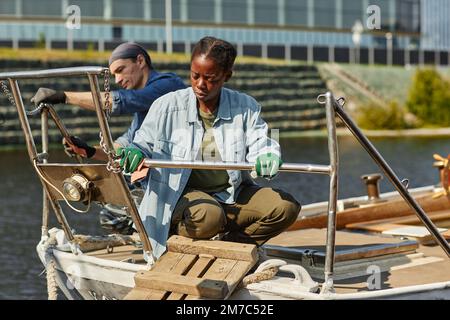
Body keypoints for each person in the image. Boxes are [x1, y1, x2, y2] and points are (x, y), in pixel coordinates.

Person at [118, 36, 301, 259]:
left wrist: (268, 155)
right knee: (208, 217)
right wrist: (135, 152)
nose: (200, 84)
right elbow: (142, 142)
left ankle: (232, 245)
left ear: (227, 76)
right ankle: (175, 239)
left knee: (285, 207)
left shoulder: (246, 106)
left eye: (210, 78)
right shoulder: (166, 106)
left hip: (230, 194)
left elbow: (262, 141)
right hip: (180, 196)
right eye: (195, 76)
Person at [30, 42, 186, 160]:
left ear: (140, 61)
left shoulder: (168, 85)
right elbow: (123, 146)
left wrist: (63, 96)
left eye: (120, 70)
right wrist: (90, 150)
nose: (117, 80)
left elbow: (126, 101)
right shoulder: (142, 109)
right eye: (114, 75)